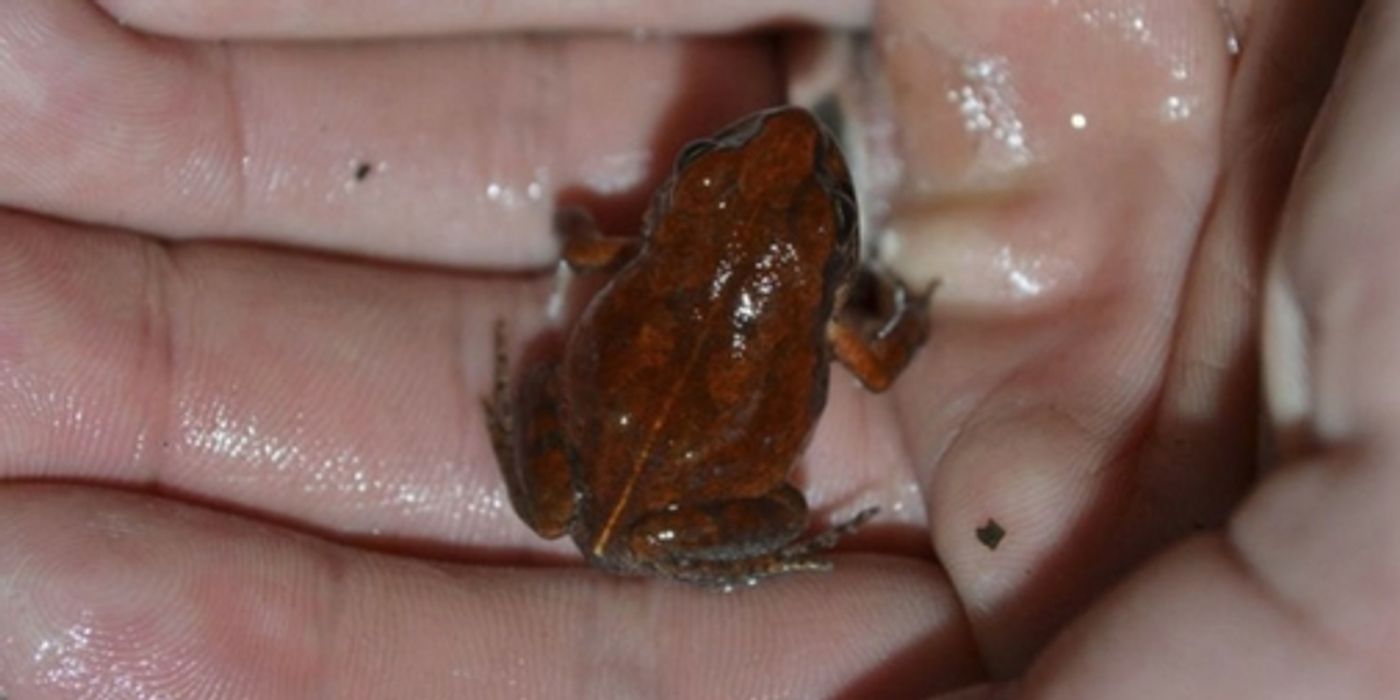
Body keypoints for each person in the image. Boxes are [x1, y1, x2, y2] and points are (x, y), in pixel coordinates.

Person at [0, 1, 1387, 697]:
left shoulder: (633, 246)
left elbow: (572, 230)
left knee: (584, 487)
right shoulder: (827, 307)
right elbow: (888, 359)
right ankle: (754, 540)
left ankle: (620, 469)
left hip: (589, 458)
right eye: (713, 171)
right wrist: (896, 307)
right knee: (726, 504)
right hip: (638, 484)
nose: (750, 159)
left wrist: (579, 260)